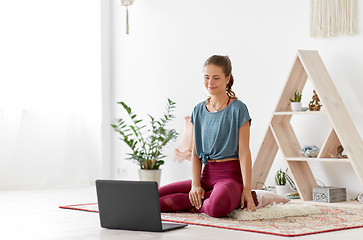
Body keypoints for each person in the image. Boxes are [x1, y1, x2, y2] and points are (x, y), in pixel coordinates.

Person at [158, 55, 257, 218]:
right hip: (206, 176)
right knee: (155, 196)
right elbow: (197, 153)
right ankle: (201, 199)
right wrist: (195, 185)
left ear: (227, 79)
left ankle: (196, 205)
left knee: (217, 207)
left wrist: (247, 189)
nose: (210, 82)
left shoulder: (238, 109)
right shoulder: (198, 110)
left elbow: (244, 152)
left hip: (230, 178)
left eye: (216, 78)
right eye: (206, 77)